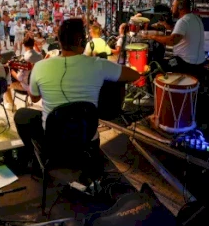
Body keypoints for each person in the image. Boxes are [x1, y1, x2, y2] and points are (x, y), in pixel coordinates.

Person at [14, 19, 140, 164]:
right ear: (82, 41)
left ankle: (37, 159)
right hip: (88, 140)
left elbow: (34, 98)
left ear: (59, 41)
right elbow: (134, 75)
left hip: (53, 142)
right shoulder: (98, 65)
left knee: (21, 115)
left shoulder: (40, 66)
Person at [142, 0, 205, 77]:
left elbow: (172, 41)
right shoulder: (196, 19)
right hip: (199, 63)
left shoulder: (183, 21)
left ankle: (154, 88)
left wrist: (151, 37)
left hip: (185, 63)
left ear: (180, 7)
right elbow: (181, 33)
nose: (171, 9)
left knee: (155, 66)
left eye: (173, 6)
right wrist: (166, 25)